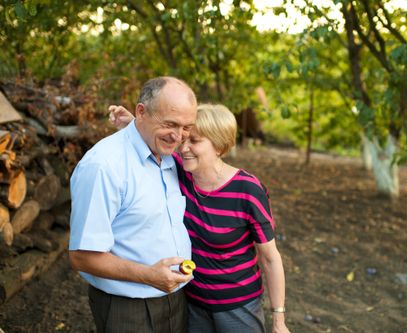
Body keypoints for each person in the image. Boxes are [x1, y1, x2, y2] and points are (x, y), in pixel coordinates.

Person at [110, 103, 291, 333]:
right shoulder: (178, 172)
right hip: (192, 302)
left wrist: (279, 319)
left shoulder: (248, 189)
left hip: (238, 306)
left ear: (219, 146)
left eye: (194, 141)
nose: (184, 147)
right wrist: (134, 123)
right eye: (183, 139)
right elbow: (150, 141)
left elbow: (270, 258)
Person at [69, 76, 198, 333]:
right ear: (141, 112)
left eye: (186, 127)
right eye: (170, 124)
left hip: (176, 298)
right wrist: (149, 275)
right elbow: (82, 257)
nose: (178, 136)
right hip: (128, 307)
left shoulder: (169, 154)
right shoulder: (103, 167)